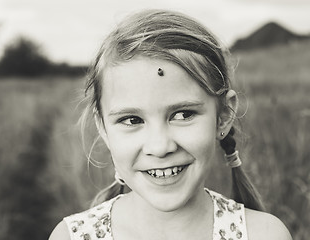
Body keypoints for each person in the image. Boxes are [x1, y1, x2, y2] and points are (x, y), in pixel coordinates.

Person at [49, 9, 292, 240]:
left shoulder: (264, 234)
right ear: (102, 126)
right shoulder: (72, 236)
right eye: (132, 120)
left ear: (224, 116)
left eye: (183, 115)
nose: (160, 146)